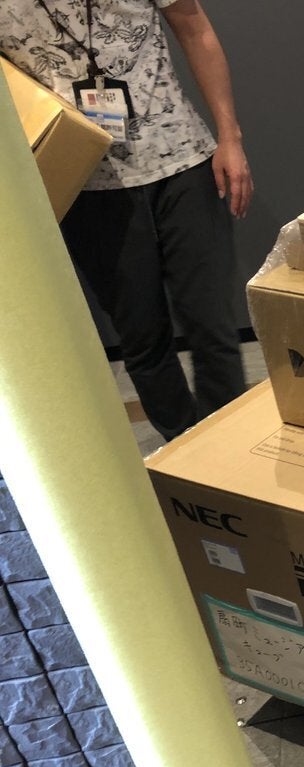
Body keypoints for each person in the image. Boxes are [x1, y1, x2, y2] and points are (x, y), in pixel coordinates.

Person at [1, 0, 253, 441]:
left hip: (184, 161)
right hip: (85, 184)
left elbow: (195, 28)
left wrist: (229, 137)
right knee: (142, 339)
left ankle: (226, 449)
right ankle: (184, 450)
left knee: (212, 325)